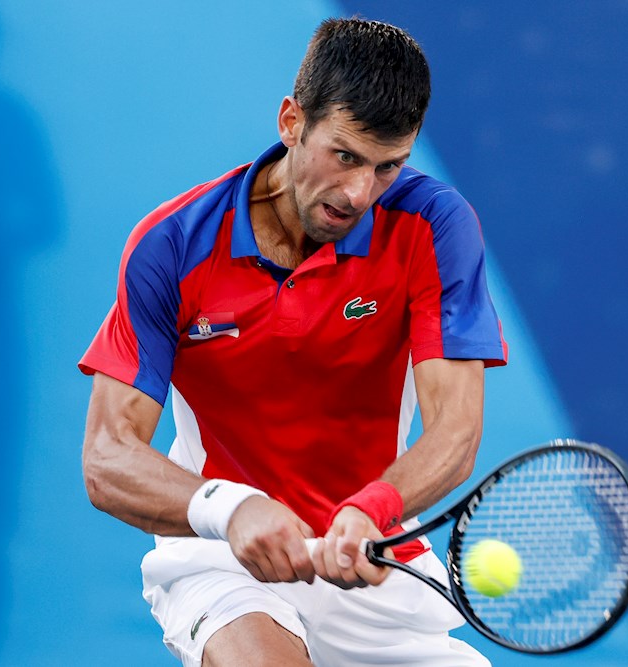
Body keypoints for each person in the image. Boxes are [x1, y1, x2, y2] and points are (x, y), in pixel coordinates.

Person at [79, 18, 507, 667]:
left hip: (371, 566)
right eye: (345, 155)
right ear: (291, 121)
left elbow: (456, 429)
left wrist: (372, 508)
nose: (359, 193)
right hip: (223, 556)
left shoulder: (434, 225)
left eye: (387, 166)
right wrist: (229, 508)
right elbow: (107, 456)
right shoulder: (173, 245)